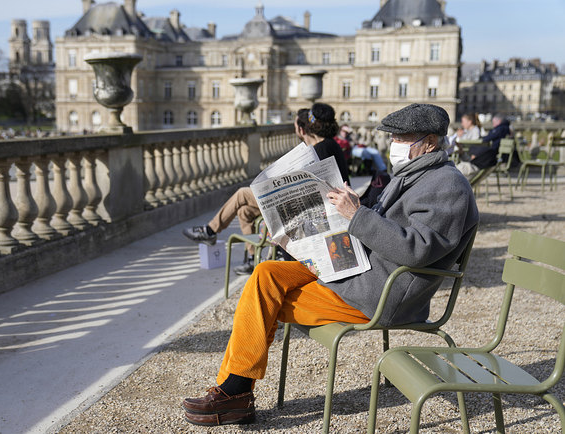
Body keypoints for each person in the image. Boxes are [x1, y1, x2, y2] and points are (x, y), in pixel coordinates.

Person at [181, 103, 479, 426]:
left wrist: (358, 215)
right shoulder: (414, 174)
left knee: (266, 298)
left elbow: (418, 249)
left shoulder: (448, 185)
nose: (394, 144)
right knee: (266, 274)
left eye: (402, 137)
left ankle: (234, 392)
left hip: (379, 293)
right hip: (358, 269)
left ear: (431, 141)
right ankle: (234, 391)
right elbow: (384, 225)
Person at [182, 103, 350, 275]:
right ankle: (251, 259)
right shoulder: (329, 145)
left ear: (301, 129)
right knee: (245, 211)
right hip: (309, 203)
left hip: (310, 206)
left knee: (242, 194)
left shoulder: (322, 148)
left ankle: (210, 230)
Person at [456, 114, 511, 180]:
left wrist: (482, 139)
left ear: (498, 121)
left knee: (473, 149)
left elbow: (489, 138)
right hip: (493, 156)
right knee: (473, 153)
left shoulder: (500, 128)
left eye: (494, 122)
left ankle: (465, 158)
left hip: (492, 154)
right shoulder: (504, 128)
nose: (493, 124)